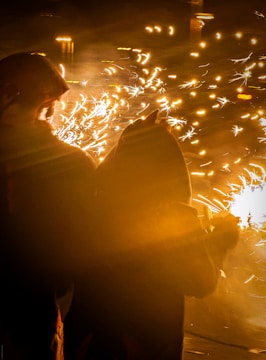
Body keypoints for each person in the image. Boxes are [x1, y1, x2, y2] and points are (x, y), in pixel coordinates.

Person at [68, 109, 240, 360]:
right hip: (145, 345)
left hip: (89, 340)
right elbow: (201, 282)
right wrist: (220, 241)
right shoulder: (174, 216)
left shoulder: (91, 205)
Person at [0, 52, 97, 359]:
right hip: (35, 309)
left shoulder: (70, 164)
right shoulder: (74, 163)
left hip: (30, 309)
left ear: (8, 95)